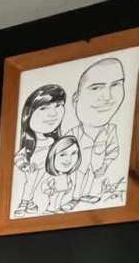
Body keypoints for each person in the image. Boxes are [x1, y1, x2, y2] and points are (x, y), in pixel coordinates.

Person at [65, 57, 126, 207]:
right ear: (75, 99)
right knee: (78, 181)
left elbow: (113, 150)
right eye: (96, 87)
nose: (107, 97)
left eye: (116, 84)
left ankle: (88, 195)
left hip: (98, 165)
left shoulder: (111, 130)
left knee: (95, 180)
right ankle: (74, 198)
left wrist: (105, 164)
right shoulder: (74, 132)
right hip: (78, 166)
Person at [12, 84, 66, 216]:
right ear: (28, 115)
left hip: (48, 174)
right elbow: (19, 157)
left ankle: (53, 205)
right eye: (43, 108)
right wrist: (25, 165)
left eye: (58, 105)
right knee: (30, 184)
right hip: (34, 170)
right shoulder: (30, 144)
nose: (53, 113)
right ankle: (25, 202)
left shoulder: (55, 142)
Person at [41, 135, 82, 213]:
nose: (68, 159)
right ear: (53, 156)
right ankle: (51, 209)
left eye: (74, 153)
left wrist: (69, 186)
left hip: (62, 191)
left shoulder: (66, 175)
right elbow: (45, 184)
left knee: (60, 197)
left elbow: (69, 182)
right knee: (54, 198)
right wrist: (48, 190)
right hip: (54, 191)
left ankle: (57, 208)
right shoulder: (54, 177)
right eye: (63, 154)